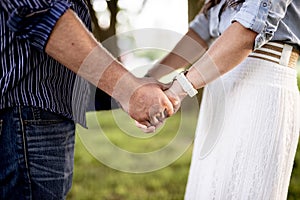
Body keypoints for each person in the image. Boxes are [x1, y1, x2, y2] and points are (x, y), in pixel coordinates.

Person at [0, 0, 174, 199]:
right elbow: (39, 12)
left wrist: (130, 91)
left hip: (34, 114)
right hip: (25, 116)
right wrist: (129, 91)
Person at [141, 0, 300, 199]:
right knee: (210, 187)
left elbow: (247, 32)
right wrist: (147, 83)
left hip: (261, 88)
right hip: (219, 89)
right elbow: (199, 34)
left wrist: (176, 92)